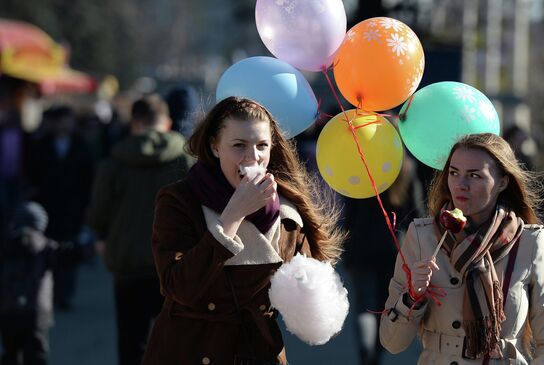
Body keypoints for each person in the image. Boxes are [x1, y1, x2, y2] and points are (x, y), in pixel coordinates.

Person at [141, 96, 345, 365]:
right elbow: (178, 287)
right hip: (189, 348)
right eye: (239, 145)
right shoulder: (179, 200)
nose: (253, 157)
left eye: (262, 145)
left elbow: (307, 295)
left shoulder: (287, 213)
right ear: (215, 147)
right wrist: (232, 215)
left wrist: (313, 293)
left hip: (258, 352)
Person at [379, 133, 544, 364]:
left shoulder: (530, 244)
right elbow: (391, 343)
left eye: (474, 175)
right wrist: (412, 297)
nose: (461, 185)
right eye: (453, 173)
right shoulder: (422, 237)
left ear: (502, 182)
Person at [86, 94, 194, 365]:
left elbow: (98, 212)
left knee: (131, 342)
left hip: (128, 262)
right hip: (175, 263)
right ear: (167, 122)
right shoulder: (185, 158)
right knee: (175, 342)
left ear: (134, 123)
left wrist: (101, 235)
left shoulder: (115, 160)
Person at [343, 153, 425, 365]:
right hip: (395, 249)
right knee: (385, 307)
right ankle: (376, 358)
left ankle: (366, 357)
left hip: (362, 246)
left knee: (364, 306)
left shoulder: (363, 167)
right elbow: (417, 212)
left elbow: (349, 213)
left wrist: (346, 249)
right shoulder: (407, 166)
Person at [26, 105, 95, 310]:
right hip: (47, 207)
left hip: (72, 207)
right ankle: (48, 293)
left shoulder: (82, 146)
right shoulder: (41, 146)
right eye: (62, 120)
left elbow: (89, 178)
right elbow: (33, 175)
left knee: (69, 251)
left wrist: (86, 205)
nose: (66, 124)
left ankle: (64, 295)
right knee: (46, 251)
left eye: (69, 119)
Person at [0, 201, 56, 365]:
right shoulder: (46, 247)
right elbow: (68, 254)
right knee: (37, 355)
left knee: (10, 353)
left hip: (7, 310)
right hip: (37, 312)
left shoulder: (5, 245)